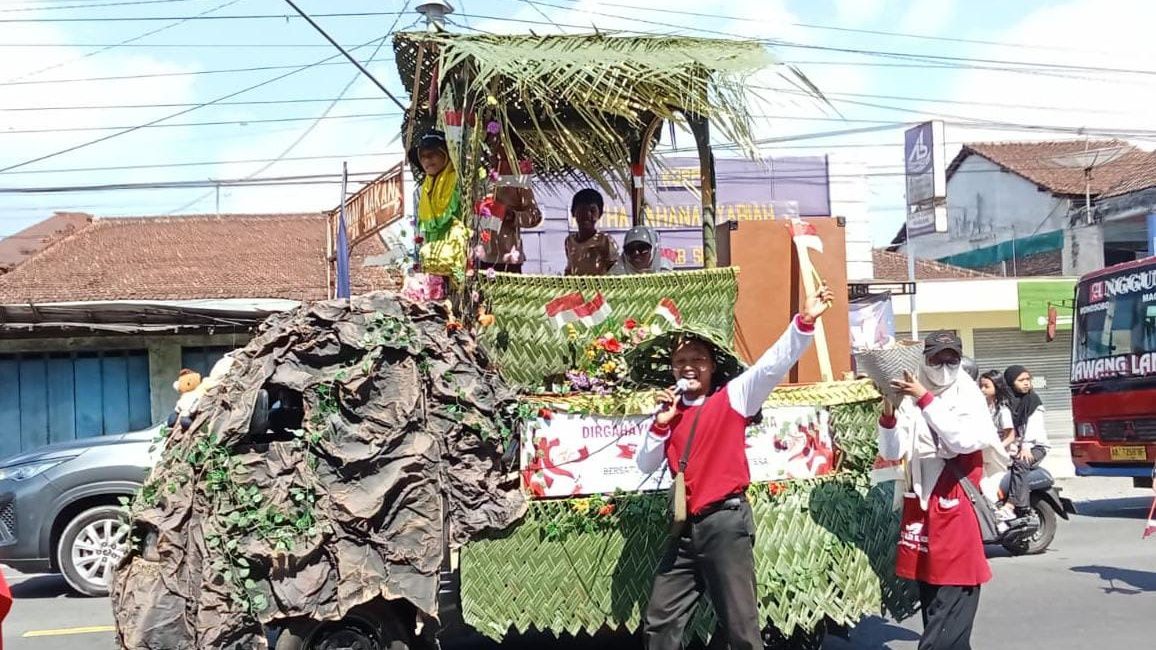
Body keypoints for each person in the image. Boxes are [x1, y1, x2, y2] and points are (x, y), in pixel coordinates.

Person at [634, 284, 834, 650]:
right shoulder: (667, 415)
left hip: (725, 523)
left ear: (712, 367)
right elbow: (645, 464)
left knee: (741, 626)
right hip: (686, 530)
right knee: (660, 620)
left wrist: (804, 321)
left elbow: (771, 366)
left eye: (697, 359)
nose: (688, 366)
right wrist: (660, 424)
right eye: (680, 361)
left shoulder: (733, 398)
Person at [879, 330, 1007, 650]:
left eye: (952, 359)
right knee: (933, 597)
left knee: (952, 600)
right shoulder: (911, 393)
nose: (945, 367)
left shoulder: (967, 395)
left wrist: (925, 398)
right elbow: (893, 451)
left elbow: (962, 441)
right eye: (937, 359)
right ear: (925, 359)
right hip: (922, 503)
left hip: (956, 502)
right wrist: (889, 415)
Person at [999, 364, 1049, 520]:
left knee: (1021, 462)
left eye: (1028, 379)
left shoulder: (1033, 401)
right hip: (1014, 445)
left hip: (1035, 446)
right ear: (1010, 382)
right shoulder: (1005, 402)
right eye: (1021, 380)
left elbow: (1034, 427)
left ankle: (1011, 505)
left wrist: (1026, 446)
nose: (1026, 383)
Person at [411, 130, 459, 244]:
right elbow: (422, 233)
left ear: (445, 154)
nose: (427, 160)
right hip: (432, 251)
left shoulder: (458, 181)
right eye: (422, 157)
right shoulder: (422, 191)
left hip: (457, 247)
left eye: (432, 154)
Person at [564, 188, 618, 275]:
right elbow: (570, 267)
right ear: (573, 212)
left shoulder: (604, 240)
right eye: (582, 210)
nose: (587, 214)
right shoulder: (569, 241)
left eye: (592, 211)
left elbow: (615, 268)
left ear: (600, 214)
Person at [609, 225, 674, 275]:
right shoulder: (614, 277)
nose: (636, 253)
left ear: (653, 250)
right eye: (630, 249)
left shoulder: (666, 274)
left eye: (642, 247)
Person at [978, 370, 1016, 452]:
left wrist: (998, 448)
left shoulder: (1003, 411)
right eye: (980, 386)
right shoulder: (981, 407)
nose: (982, 389)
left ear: (997, 387)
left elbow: (1010, 436)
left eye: (986, 386)